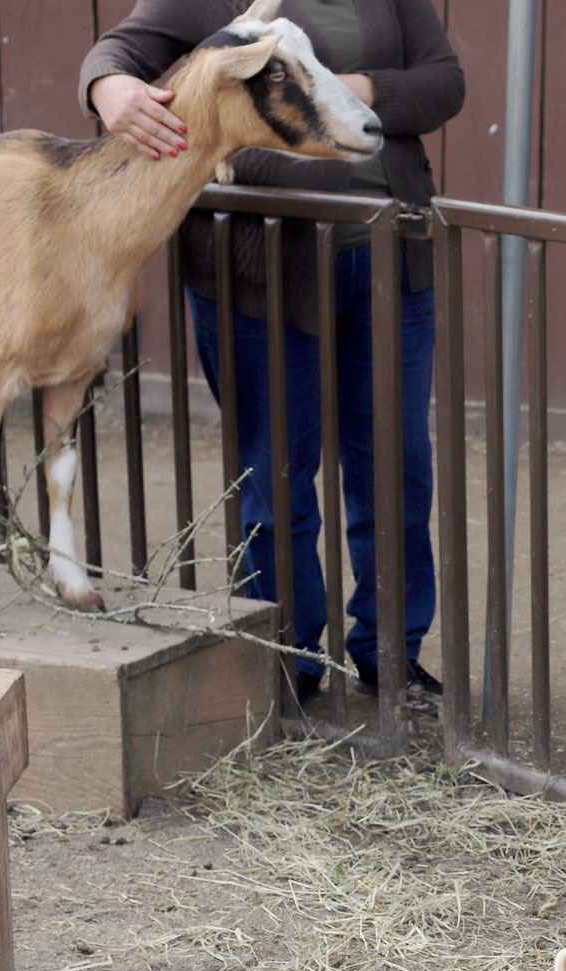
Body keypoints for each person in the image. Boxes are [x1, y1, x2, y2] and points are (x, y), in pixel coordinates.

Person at [80, 0, 463, 707]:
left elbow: (444, 83)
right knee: (275, 470)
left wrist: (337, 88)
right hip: (257, 269)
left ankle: (392, 655)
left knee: (396, 466)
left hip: (389, 259)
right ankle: (289, 658)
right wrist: (110, 92)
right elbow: (114, 55)